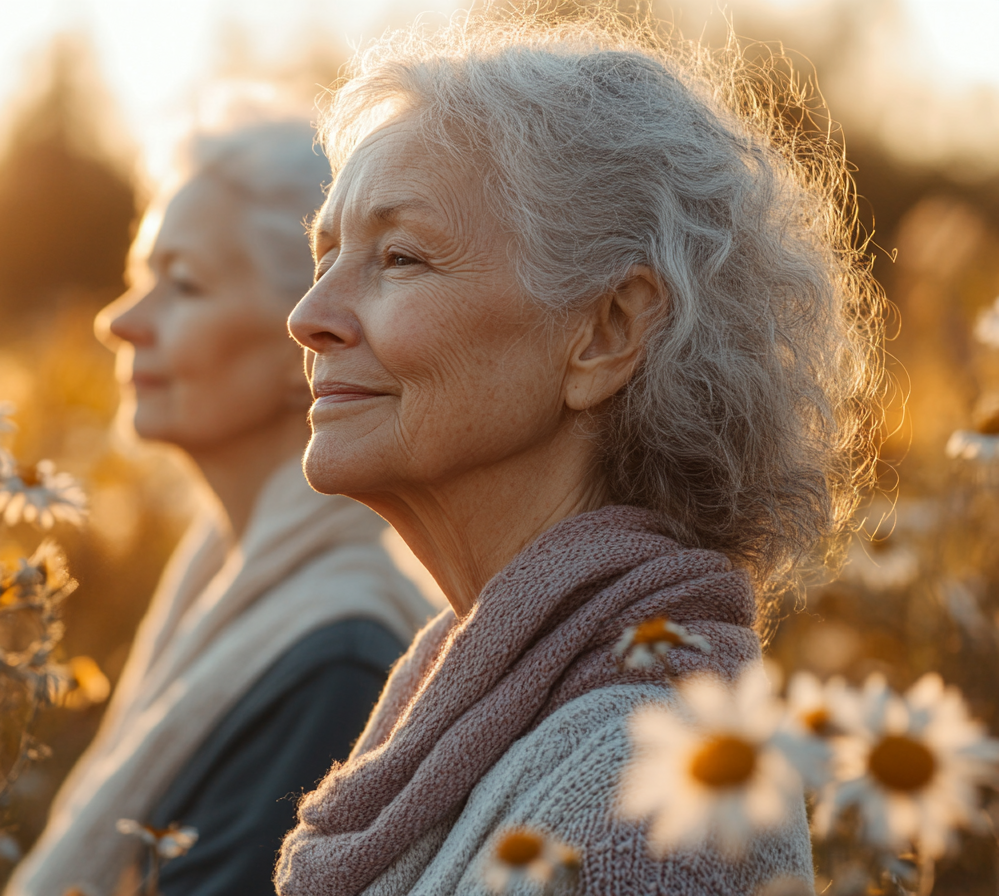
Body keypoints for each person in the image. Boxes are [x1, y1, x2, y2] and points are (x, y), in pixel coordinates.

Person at [275, 12, 883, 896]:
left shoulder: (653, 807)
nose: (309, 316)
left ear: (607, 332)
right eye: (324, 255)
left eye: (400, 257)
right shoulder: (507, 710)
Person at [5, 120, 437, 896]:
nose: (119, 321)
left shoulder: (334, 666)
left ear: (311, 333)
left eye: (184, 284)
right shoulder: (217, 580)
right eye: (140, 275)